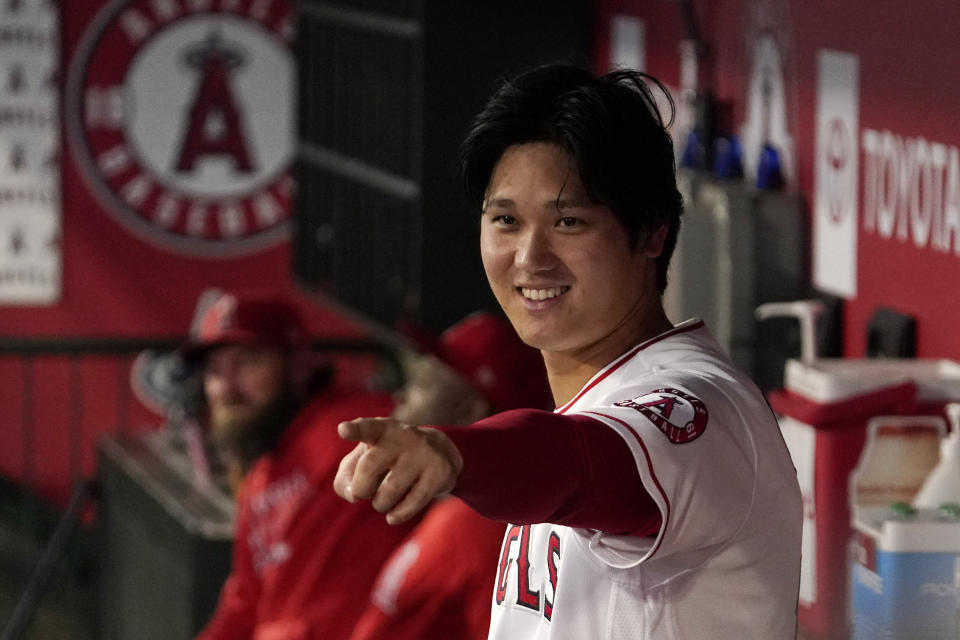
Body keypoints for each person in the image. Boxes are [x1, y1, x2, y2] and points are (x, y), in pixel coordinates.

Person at [333, 63, 803, 640]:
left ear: (653, 232)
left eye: (569, 222)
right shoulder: (587, 400)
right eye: (505, 220)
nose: (530, 257)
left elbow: (589, 465)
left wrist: (456, 454)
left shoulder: (700, 403)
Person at [188, 289, 419, 640]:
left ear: (297, 364)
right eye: (214, 370)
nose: (226, 387)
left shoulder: (360, 425)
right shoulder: (259, 478)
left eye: (246, 361)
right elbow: (244, 605)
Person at [349, 313, 553, 640]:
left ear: (470, 410)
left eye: (421, 385)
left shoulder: (482, 529)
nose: (400, 397)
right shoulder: (457, 513)